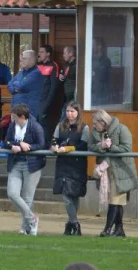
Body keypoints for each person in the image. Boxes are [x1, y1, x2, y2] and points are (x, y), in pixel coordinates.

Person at [89, 110, 138, 238]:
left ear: (102, 122)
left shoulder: (122, 129)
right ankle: (119, 229)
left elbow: (127, 148)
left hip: (120, 170)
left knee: (115, 199)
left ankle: (107, 229)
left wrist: (110, 148)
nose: (94, 126)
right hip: (105, 171)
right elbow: (90, 146)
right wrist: (101, 145)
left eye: (95, 123)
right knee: (117, 201)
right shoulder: (95, 133)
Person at [3, 104, 46, 236]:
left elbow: (41, 144)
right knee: (12, 193)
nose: (12, 119)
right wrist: (15, 145)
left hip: (32, 165)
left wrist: (28, 147)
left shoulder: (35, 127)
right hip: (15, 163)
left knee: (27, 198)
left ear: (22, 117)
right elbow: (7, 141)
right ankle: (32, 219)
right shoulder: (12, 126)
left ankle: (25, 228)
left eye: (14, 116)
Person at [51, 101, 89, 237]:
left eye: (72, 111)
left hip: (77, 165)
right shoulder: (60, 126)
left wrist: (69, 148)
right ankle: (75, 223)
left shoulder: (84, 128)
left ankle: (69, 224)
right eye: (67, 111)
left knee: (74, 195)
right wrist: (54, 147)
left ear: (78, 113)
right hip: (63, 164)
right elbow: (54, 140)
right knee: (66, 195)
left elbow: (84, 145)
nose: (69, 114)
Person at [8, 50, 44, 119]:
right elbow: (9, 85)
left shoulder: (36, 73)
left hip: (28, 113)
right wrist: (16, 88)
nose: (22, 60)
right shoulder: (21, 73)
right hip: (15, 110)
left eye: (24, 58)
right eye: (21, 59)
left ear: (32, 59)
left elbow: (21, 86)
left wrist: (16, 85)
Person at [37, 45, 60, 146]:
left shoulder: (54, 65)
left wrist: (48, 103)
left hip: (46, 100)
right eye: (39, 52)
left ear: (48, 54)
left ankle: (46, 145)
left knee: (44, 123)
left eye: (42, 52)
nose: (39, 54)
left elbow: (54, 86)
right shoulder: (38, 65)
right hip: (37, 99)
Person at [91, 38, 112, 106]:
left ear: (99, 46)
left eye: (93, 44)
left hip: (102, 94)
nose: (92, 47)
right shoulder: (90, 59)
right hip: (91, 93)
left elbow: (106, 77)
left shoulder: (106, 60)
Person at [60, 46, 77, 121]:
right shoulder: (67, 65)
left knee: (63, 122)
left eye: (65, 53)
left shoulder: (77, 66)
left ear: (71, 54)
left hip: (73, 100)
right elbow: (64, 76)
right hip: (66, 99)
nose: (63, 55)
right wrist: (61, 76)